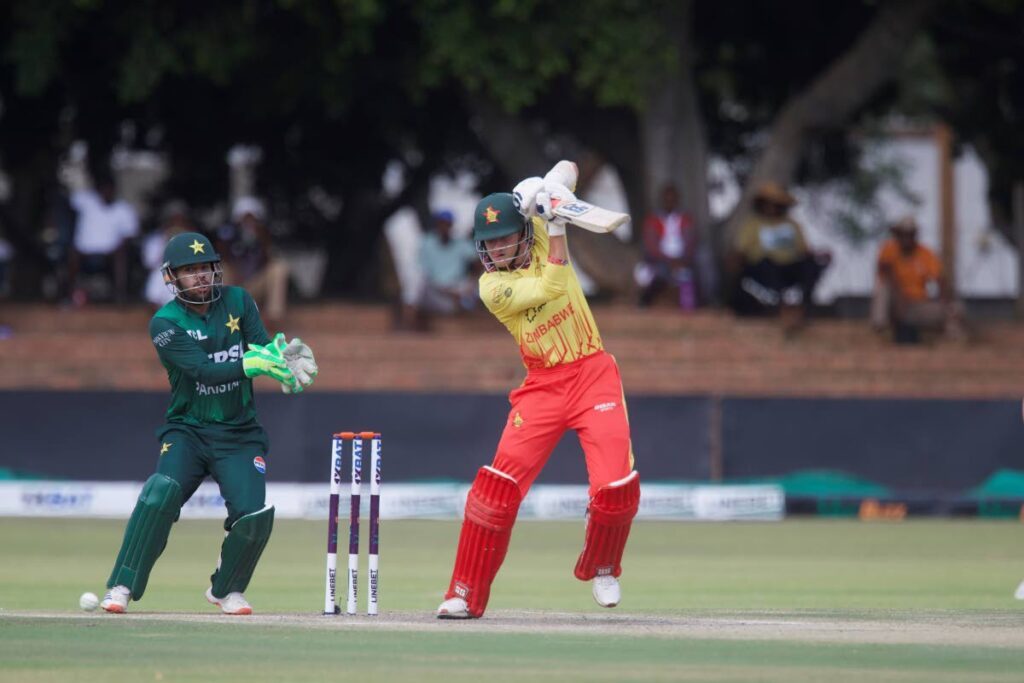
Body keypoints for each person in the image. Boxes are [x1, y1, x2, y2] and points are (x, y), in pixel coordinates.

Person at [435, 162, 641, 619]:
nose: (497, 249)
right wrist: (555, 222)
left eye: (505, 238)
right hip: (543, 385)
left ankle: (603, 565)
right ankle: (464, 593)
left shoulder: (542, 230)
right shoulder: (493, 287)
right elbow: (554, 282)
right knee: (495, 490)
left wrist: (546, 187)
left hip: (592, 373)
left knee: (615, 486)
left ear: (523, 233)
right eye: (488, 243)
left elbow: (569, 169)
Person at [98, 231, 318, 615]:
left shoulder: (239, 300)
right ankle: (122, 586)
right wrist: (251, 364)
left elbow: (260, 347)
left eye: (205, 268)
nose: (200, 276)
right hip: (189, 429)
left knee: (254, 515)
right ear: (173, 279)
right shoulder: (164, 323)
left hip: (239, 432)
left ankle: (227, 589)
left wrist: (282, 363)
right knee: (160, 493)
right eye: (189, 271)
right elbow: (201, 371)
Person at [730, 181, 830, 333]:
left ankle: (805, 309)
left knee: (809, 266)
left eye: (777, 204)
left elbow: (804, 251)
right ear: (762, 204)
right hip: (763, 267)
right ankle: (782, 310)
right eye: (769, 203)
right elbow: (740, 251)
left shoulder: (792, 225)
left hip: (789, 267)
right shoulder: (753, 225)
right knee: (767, 265)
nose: (772, 208)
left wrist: (820, 256)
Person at [870, 217, 965, 343]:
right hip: (893, 303)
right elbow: (885, 272)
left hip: (916, 305)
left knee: (955, 309)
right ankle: (881, 328)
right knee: (883, 287)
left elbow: (940, 280)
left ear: (915, 235)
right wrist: (900, 298)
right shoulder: (888, 250)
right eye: (902, 234)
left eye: (909, 234)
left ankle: (951, 339)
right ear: (897, 235)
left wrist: (944, 300)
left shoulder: (925, 253)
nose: (906, 238)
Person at [67, 174, 139, 305]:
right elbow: (69, 200)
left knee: (121, 256)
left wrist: (119, 246)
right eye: (104, 189)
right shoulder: (86, 201)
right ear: (98, 190)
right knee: (72, 254)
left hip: (110, 252)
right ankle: (68, 295)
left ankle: (120, 296)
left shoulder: (123, 208)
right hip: (83, 252)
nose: (107, 192)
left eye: (110, 189)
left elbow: (129, 234)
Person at [216, 196, 289, 326]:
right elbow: (221, 255)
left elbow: (268, 260)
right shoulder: (229, 234)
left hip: (253, 286)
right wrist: (235, 238)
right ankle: (224, 315)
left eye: (251, 218)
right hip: (234, 288)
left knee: (278, 267)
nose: (248, 222)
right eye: (244, 218)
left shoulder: (262, 235)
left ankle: (274, 317)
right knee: (222, 268)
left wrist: (260, 238)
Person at [636, 184, 699, 310]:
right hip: (660, 259)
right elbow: (651, 245)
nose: (670, 202)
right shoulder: (653, 219)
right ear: (662, 200)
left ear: (677, 200)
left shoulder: (685, 218)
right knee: (651, 274)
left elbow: (691, 242)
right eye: (667, 199)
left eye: (673, 199)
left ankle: (696, 306)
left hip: (682, 259)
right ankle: (644, 304)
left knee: (693, 270)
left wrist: (681, 261)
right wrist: (669, 261)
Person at [417, 209, 479, 316]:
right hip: (436, 289)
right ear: (436, 225)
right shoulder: (427, 243)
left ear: (451, 225)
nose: (444, 227)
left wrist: (470, 282)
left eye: (447, 224)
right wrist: (449, 292)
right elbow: (425, 274)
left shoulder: (461, 243)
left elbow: (478, 263)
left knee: (470, 298)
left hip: (459, 287)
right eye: (441, 224)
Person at [142, 200, 193, 309]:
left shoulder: (194, 240)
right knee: (158, 275)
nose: (177, 223)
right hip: (164, 274)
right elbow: (150, 263)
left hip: (185, 274)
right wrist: (167, 243)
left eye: (180, 219)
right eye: (174, 219)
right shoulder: (155, 239)